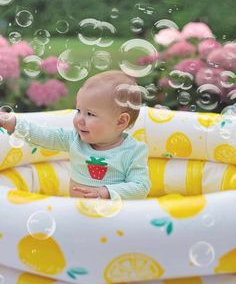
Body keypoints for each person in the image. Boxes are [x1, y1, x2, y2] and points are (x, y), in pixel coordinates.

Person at [0, 70, 151, 200]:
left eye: (90, 114)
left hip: (114, 217)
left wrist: (107, 192)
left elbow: (141, 186)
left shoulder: (133, 151)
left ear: (120, 122)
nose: (79, 119)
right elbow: (44, 135)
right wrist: (13, 122)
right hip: (77, 211)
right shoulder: (74, 139)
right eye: (78, 110)